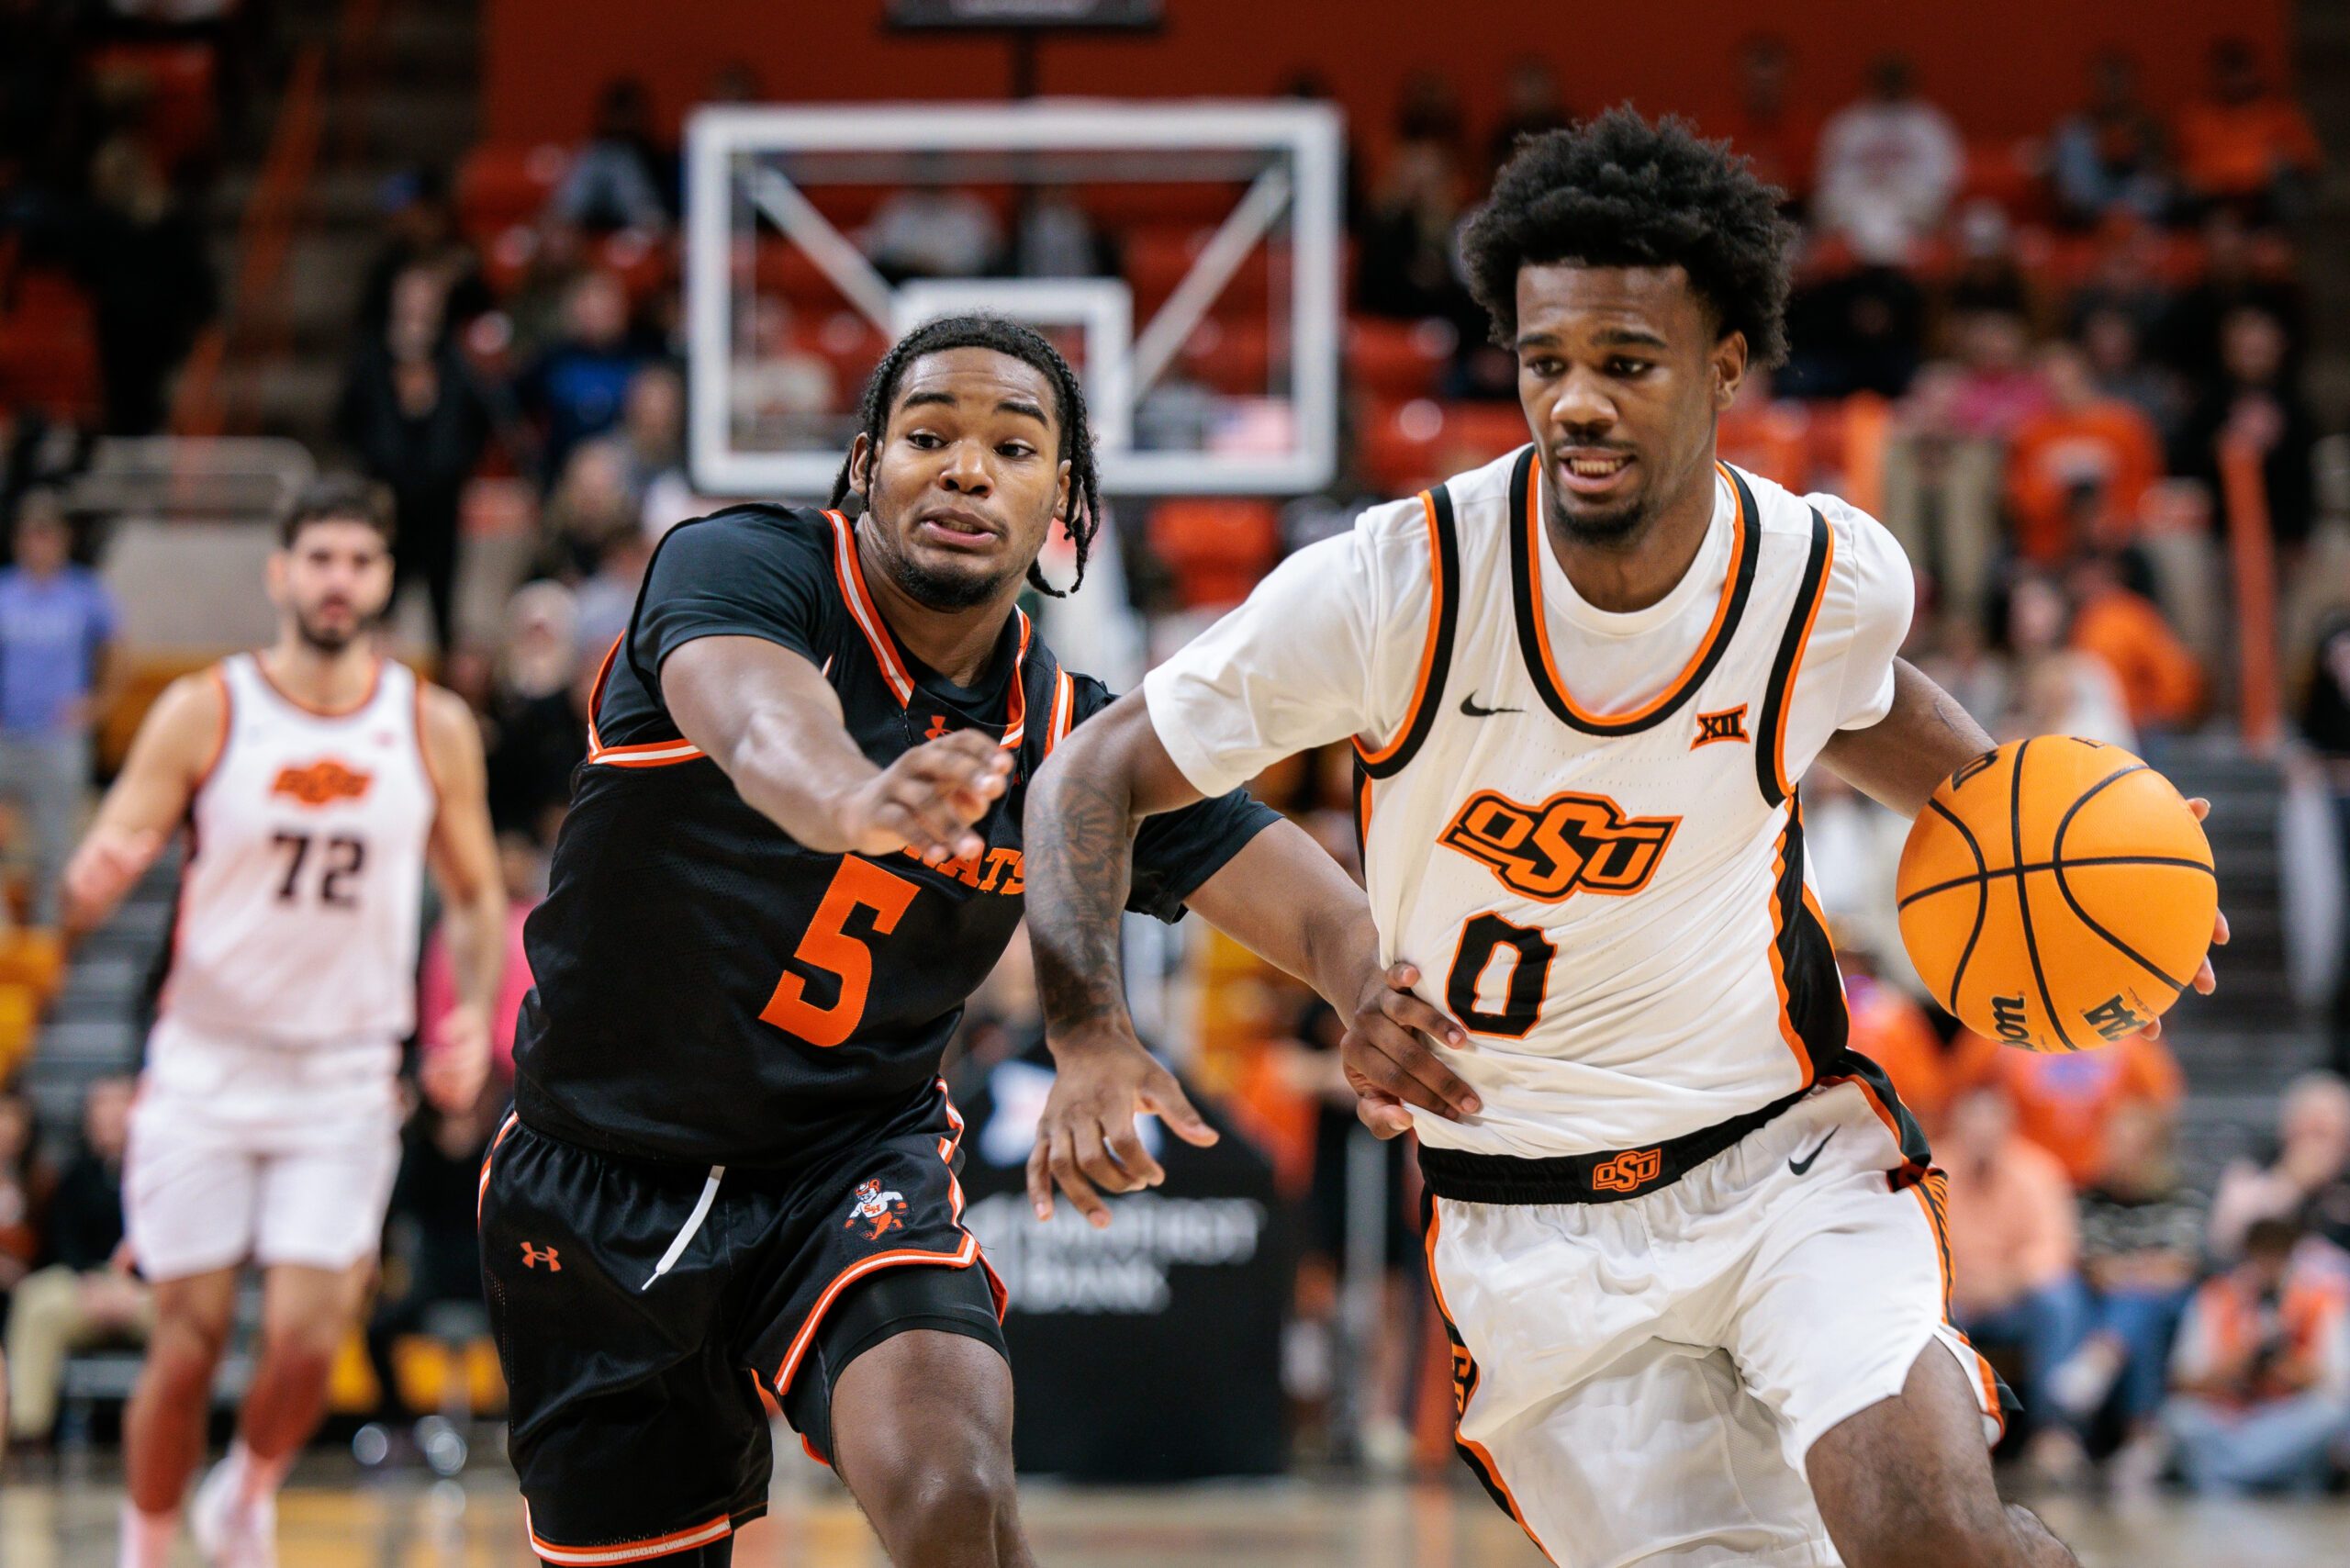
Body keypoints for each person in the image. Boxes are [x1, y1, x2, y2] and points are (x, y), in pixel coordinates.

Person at [1024, 111, 2222, 1566]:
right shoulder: (1392, 587)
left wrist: (2097, 868)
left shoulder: (1821, 578)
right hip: (1530, 1231)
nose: (1575, 402)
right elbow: (1092, 773)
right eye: (1545, 363)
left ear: (1727, 364)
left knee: (1929, 1539)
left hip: (1781, 1164)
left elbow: (1862, 714)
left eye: (1626, 364)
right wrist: (1090, 1028)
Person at [482, 314, 1396, 1567]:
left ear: (1063, 503)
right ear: (866, 465)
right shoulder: (741, 566)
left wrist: (1373, 996)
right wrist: (853, 799)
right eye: (929, 436)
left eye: (1015, 448)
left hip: (845, 1162)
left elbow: (1291, 888)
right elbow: (758, 725)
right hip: (601, 1172)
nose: (967, 470)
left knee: (955, 1494)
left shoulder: (1069, 740)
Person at [62, 476, 506, 1568]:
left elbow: (478, 895)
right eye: (320, 559)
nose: (338, 580)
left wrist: (474, 1015)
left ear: (385, 579)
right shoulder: (207, 708)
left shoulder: (429, 722)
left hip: (346, 1073)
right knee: (189, 1339)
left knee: (312, 1338)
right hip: (206, 1065)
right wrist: (93, 878)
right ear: (281, 573)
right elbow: (99, 861)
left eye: (359, 561)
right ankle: (148, 1539)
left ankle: (248, 1488)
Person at [336, 267, 503, 653]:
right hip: (387, 505)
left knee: (444, 613)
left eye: (426, 299)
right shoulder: (371, 358)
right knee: (378, 606)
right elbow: (347, 421)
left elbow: (484, 421)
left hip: (442, 507)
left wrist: (456, 465)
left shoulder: (455, 360)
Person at [1939, 1087, 2091, 1481]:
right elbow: (1910, 1244)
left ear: (2009, 1127)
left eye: (1991, 1124)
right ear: (1956, 1125)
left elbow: (2056, 1248)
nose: (1982, 1134)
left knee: (2061, 1300)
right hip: (1951, 1302)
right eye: (1973, 1123)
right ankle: (1944, 1434)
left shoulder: (2038, 1170)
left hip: (2016, 1301)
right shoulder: (1929, 1168)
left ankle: (2054, 1432)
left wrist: (2006, 1282)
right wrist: (1959, 1284)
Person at [4, 1077, 151, 1447]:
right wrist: (90, 1281)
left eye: (119, 1105)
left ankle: (173, 1426)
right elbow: (63, 1239)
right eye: (102, 1107)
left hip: (146, 1290)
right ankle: (28, 1429)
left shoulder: (164, 1171)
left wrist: (133, 1286)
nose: (111, 1116)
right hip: (85, 1287)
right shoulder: (73, 1175)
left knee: (190, 1316)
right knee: (37, 1302)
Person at [2161, 1215, 2350, 1494]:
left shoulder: (2319, 1300)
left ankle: (2228, 1481)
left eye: (2277, 1255)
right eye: (2261, 1255)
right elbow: (2182, 1381)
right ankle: (2269, 1478)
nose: (2268, 1266)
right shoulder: (2216, 1296)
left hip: (2287, 1418)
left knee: (2331, 1415)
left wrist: (2291, 1369)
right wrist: (2239, 1364)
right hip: (2230, 1418)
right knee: (2179, 1417)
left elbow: (2339, 1385)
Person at [0, 488, 118, 927]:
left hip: (58, 736)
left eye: (48, 534)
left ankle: (49, 942)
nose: (40, 543)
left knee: (55, 849)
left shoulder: (83, 594)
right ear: (19, 540)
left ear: (62, 540)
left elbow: (116, 653)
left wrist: (98, 704)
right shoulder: (5, 591)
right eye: (32, 534)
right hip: (7, 732)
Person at [1812, 54, 1963, 264]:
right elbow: (1828, 185)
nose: (1890, 86)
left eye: (1896, 80)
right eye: (1886, 79)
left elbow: (1945, 184)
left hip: (1912, 218)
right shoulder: (1847, 125)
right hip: (1856, 215)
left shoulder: (1930, 125)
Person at [2173, 37, 2321, 220]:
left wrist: (2276, 163)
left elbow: (2308, 160)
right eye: (2228, 73)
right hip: (2214, 200)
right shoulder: (2197, 115)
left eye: (2241, 72)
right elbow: (2188, 169)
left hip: (2264, 198)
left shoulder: (2279, 113)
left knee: (2289, 187)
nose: (2235, 81)